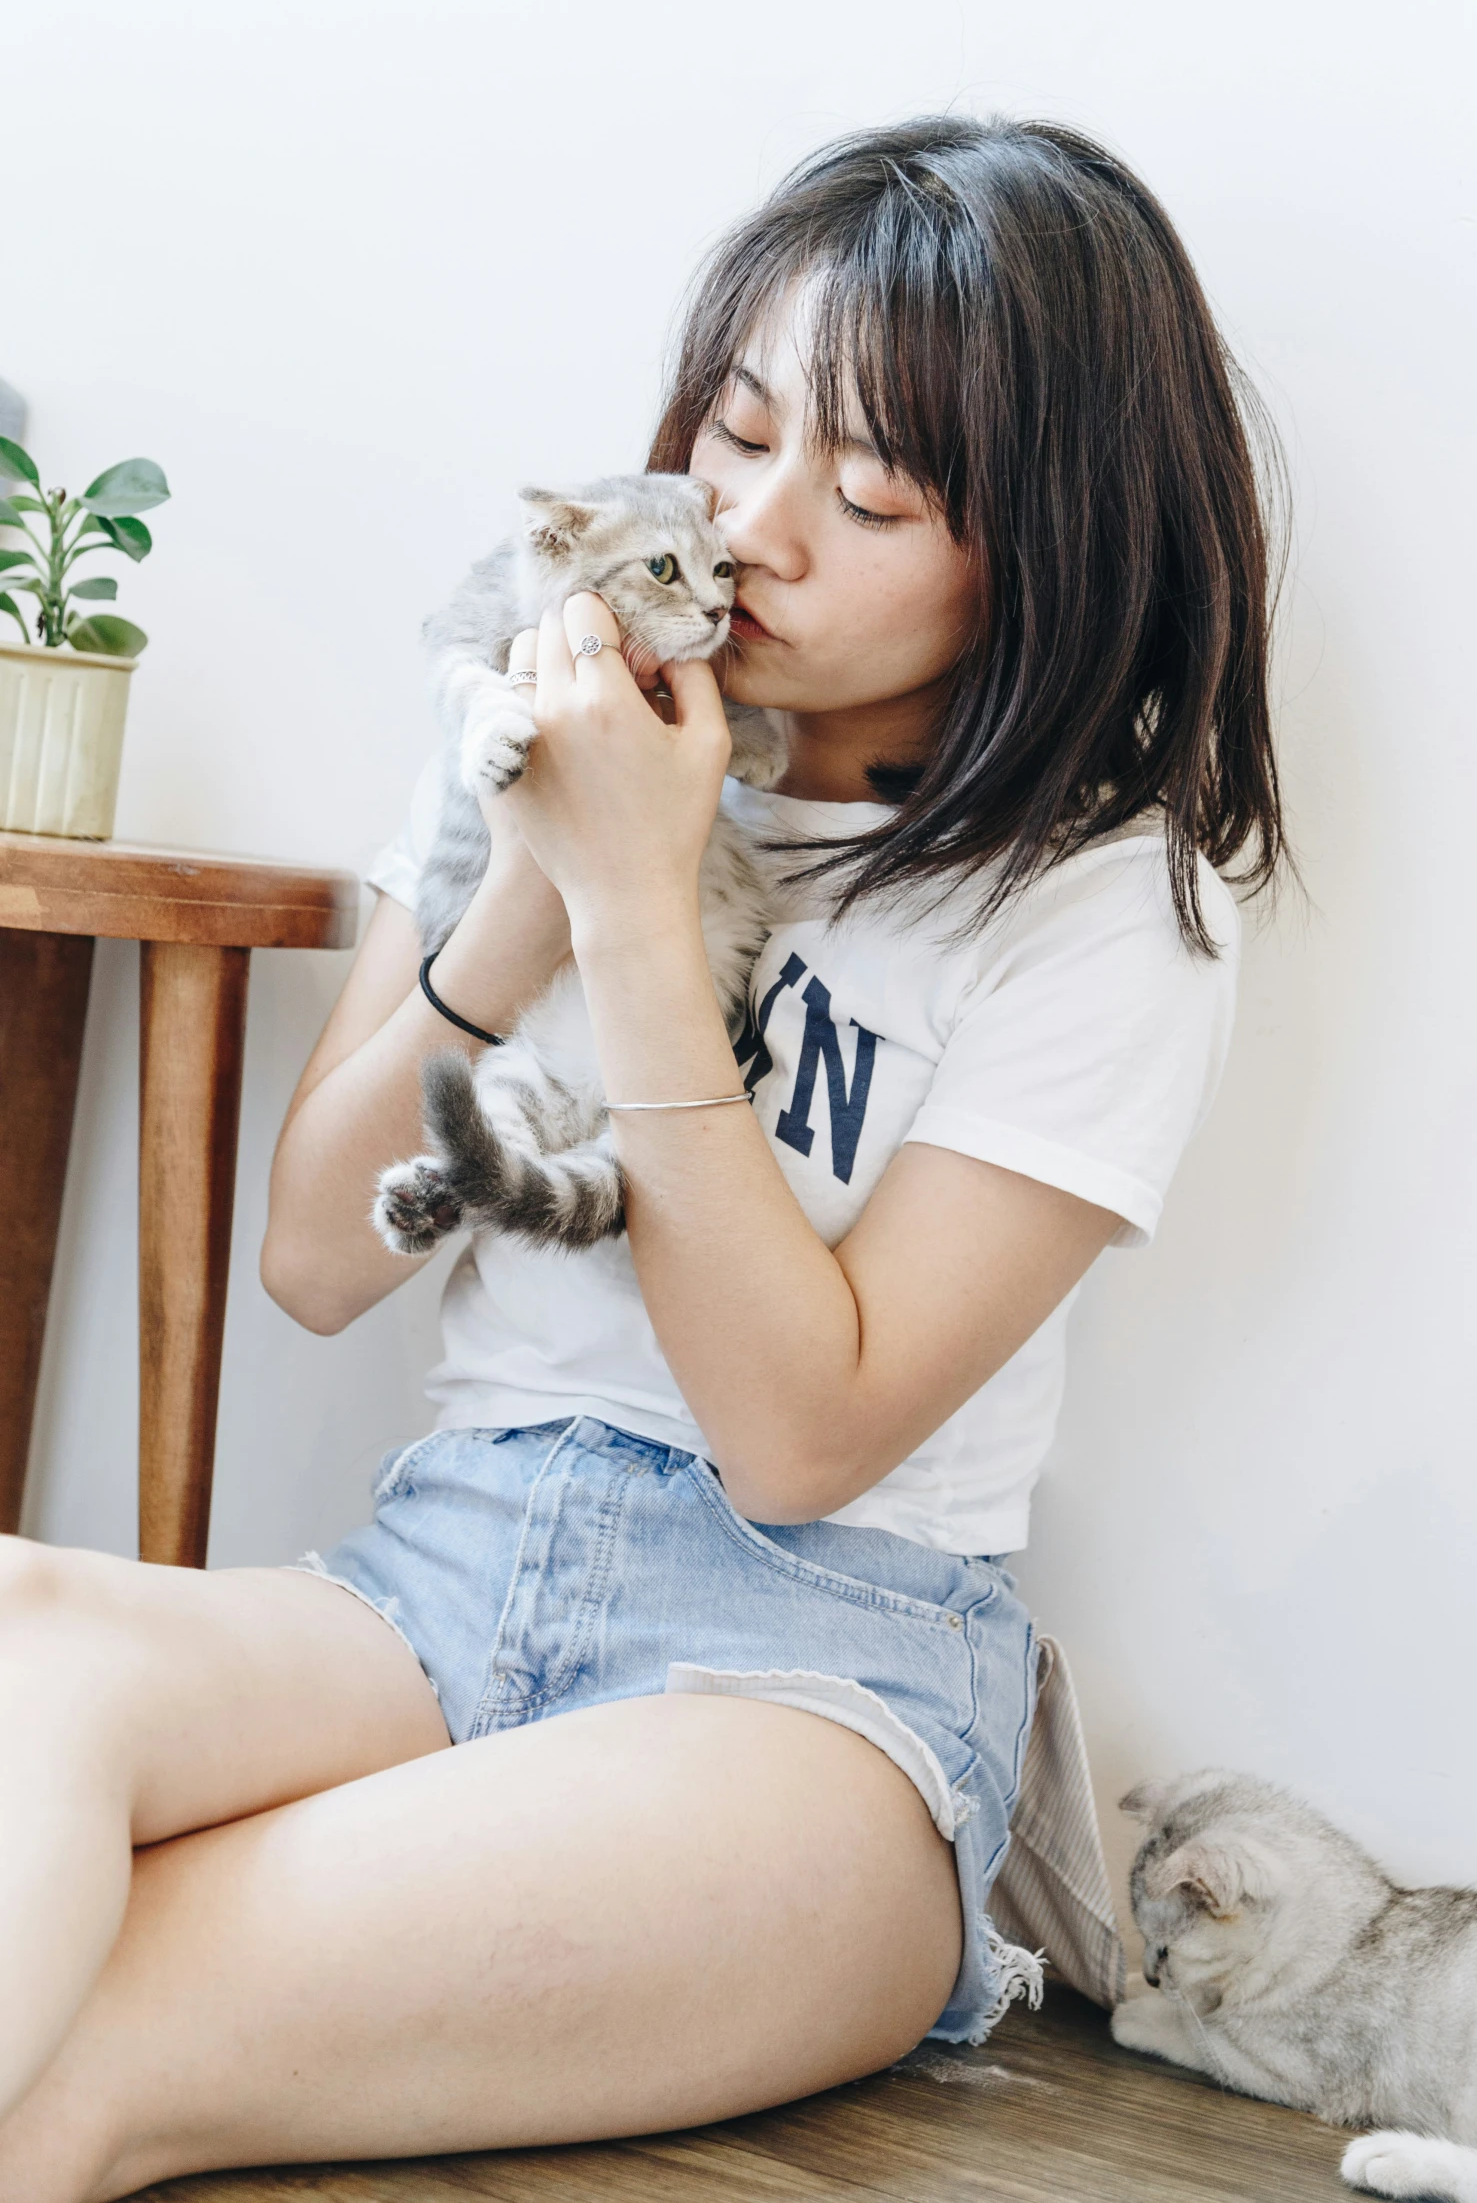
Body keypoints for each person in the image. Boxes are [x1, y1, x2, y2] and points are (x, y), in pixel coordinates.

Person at [0, 115, 1285, 2200]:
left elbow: (801, 1435)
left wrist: (636, 901)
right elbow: (321, 1254)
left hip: (819, 1683)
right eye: (741, 430)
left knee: (117, 2023)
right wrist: (534, 868)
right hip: (437, 1578)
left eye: (872, 489)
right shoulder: (532, 723)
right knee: (18, 1631)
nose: (759, 528)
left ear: (1037, 547)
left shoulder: (1106, 904)